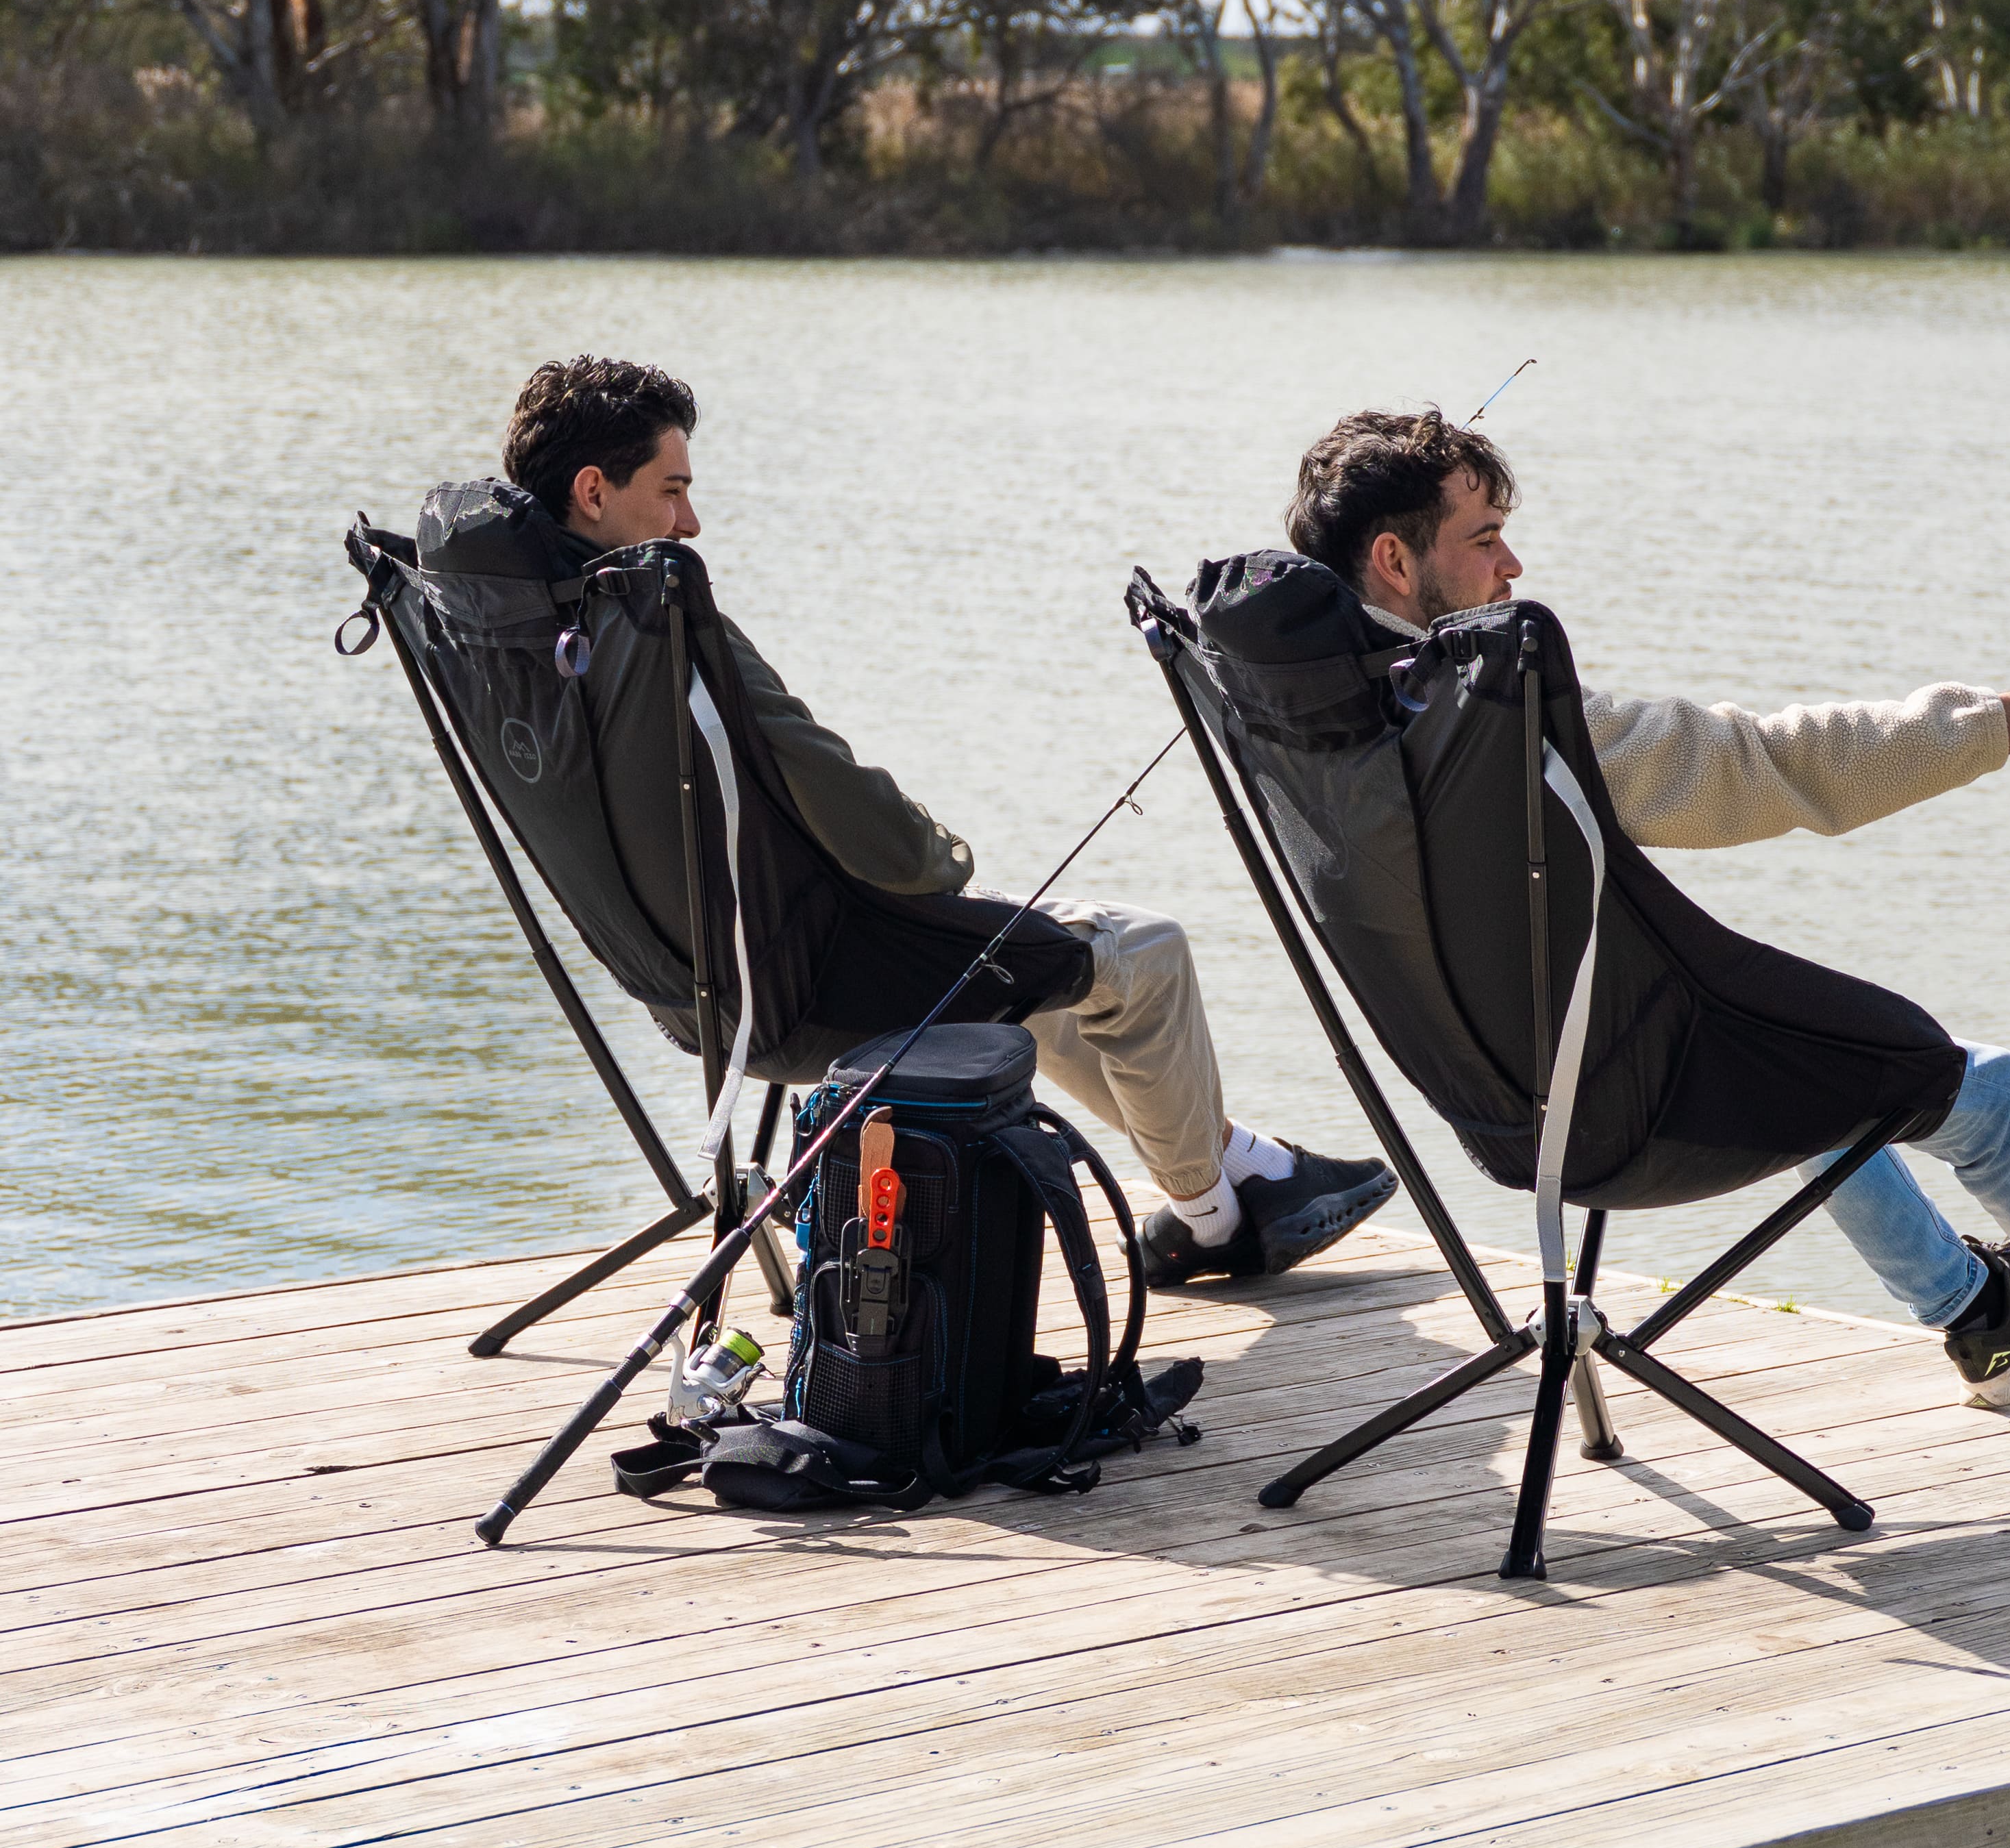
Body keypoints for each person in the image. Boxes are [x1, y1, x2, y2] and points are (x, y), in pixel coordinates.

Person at [1282, 406, 2010, 1455]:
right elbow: (1768, 764)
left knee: (1782, 1046)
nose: (1511, 566)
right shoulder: (1491, 716)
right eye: (1482, 540)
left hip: (1497, 1112)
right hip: (1619, 1114)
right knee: (1986, 1095)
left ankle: (1971, 1303)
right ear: (1391, 558)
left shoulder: (1306, 713)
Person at [499, 355, 1396, 1291]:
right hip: (807, 996)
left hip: (689, 998)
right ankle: (1213, 1218)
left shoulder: (517, 641)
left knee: (1028, 966)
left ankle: (1243, 1163)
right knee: (1143, 952)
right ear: (594, 491)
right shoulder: (660, 624)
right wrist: (939, 863)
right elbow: (831, 784)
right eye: (672, 490)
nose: (689, 522)